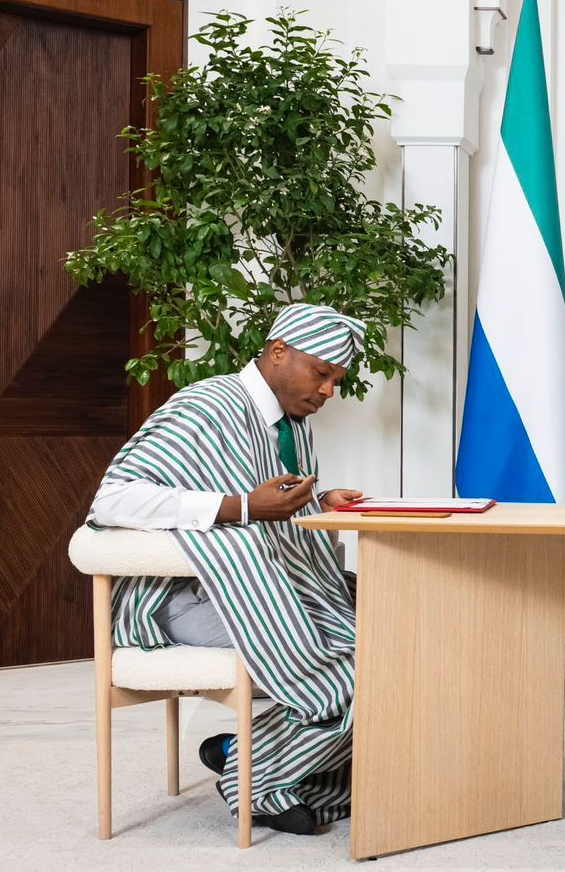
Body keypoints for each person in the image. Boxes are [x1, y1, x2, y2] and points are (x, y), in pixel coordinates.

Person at [89, 303, 369, 836]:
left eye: (336, 379)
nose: (329, 390)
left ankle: (240, 752)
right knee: (353, 663)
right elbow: (114, 499)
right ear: (279, 352)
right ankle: (254, 775)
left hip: (262, 580)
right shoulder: (207, 406)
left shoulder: (290, 424)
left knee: (399, 632)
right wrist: (241, 507)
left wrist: (318, 500)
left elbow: (266, 503)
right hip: (188, 595)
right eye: (322, 373)